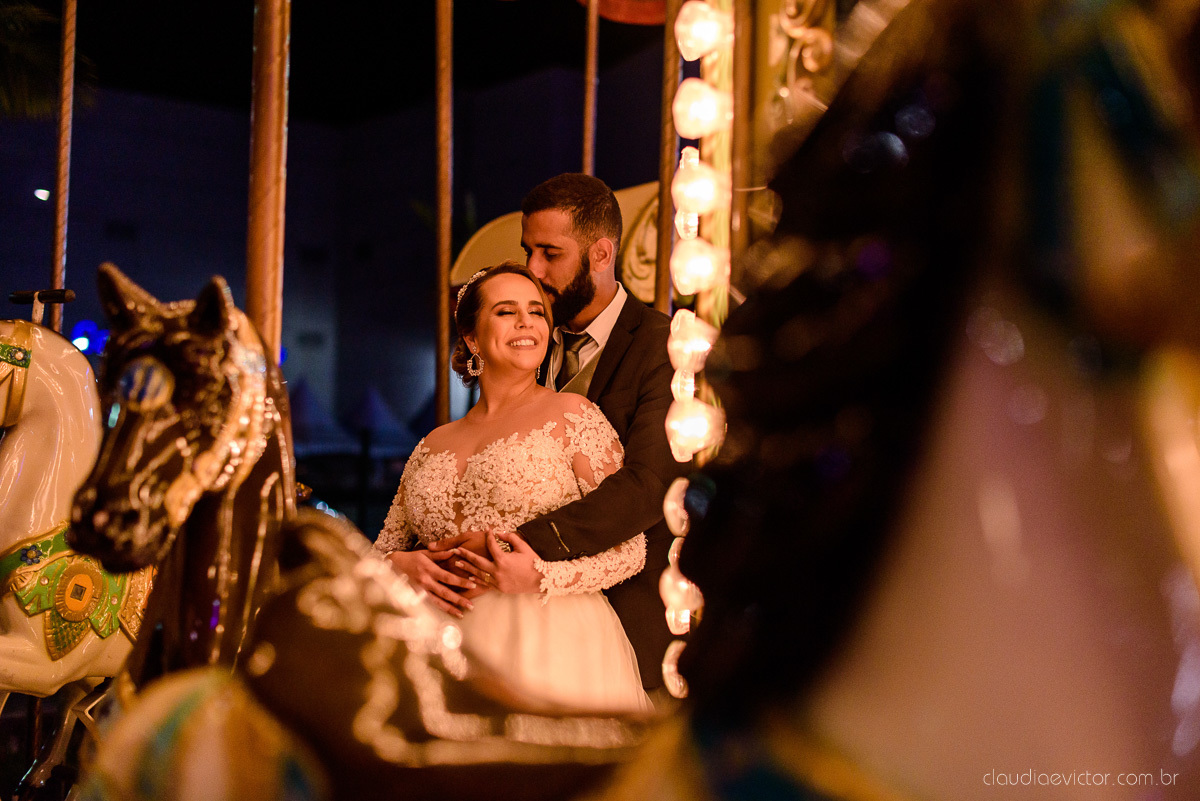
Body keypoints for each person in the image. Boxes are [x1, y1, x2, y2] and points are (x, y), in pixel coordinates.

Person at [426, 174, 681, 695]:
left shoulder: (662, 347)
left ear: (601, 253)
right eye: (528, 252)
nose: (534, 271)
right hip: (491, 632)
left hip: (620, 625)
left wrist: (507, 548)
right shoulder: (529, 341)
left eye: (550, 254)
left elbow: (649, 484)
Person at [375, 261, 652, 713]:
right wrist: (398, 567)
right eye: (506, 312)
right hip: (436, 648)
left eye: (536, 312)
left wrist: (540, 577)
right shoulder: (431, 444)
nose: (526, 323)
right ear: (471, 338)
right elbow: (380, 552)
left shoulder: (573, 417)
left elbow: (630, 548)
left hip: (549, 644)